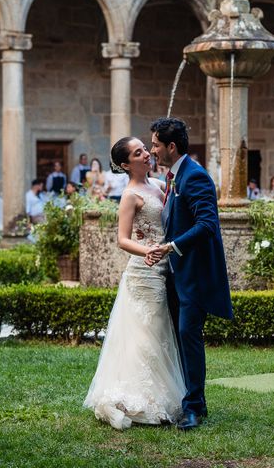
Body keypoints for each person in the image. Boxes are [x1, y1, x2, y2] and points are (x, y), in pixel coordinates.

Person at [84, 136, 185, 430]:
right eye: (138, 152)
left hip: (165, 265)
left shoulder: (157, 186)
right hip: (144, 270)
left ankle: (161, 392)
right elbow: (122, 239)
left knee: (160, 331)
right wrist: (148, 251)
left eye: (145, 149)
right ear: (127, 164)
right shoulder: (129, 195)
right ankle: (140, 397)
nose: (146, 154)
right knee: (147, 332)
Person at [149, 117, 232, 430]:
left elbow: (207, 226)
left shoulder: (195, 176)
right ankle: (194, 400)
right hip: (175, 275)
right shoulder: (174, 176)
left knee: (188, 336)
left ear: (171, 146)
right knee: (180, 338)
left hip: (194, 276)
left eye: (156, 144)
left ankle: (194, 408)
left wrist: (171, 247)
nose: (152, 150)